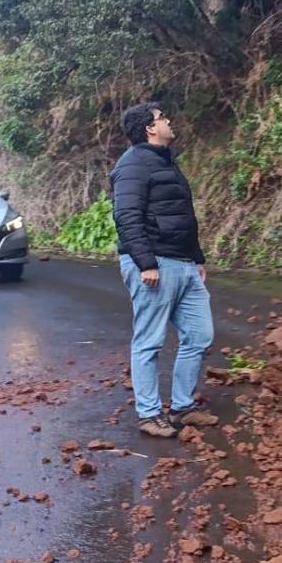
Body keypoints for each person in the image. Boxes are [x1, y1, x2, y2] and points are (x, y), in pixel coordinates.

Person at [110, 100, 218, 438]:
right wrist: (146, 263)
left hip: (183, 263)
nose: (169, 121)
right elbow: (126, 216)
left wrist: (197, 258)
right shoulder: (132, 165)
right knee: (149, 341)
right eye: (162, 118)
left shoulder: (166, 163)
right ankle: (149, 414)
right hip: (155, 264)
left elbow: (184, 217)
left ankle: (183, 407)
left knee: (200, 335)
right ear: (150, 129)